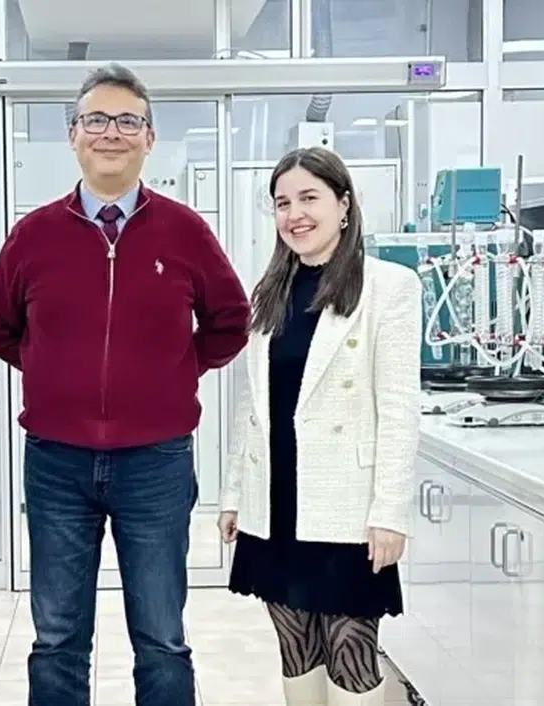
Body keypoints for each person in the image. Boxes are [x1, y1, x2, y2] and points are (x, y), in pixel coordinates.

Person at [0, 63, 251, 706]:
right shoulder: (33, 234)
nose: (111, 132)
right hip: (56, 461)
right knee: (57, 637)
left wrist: (172, 370)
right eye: (96, 119)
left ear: (149, 139)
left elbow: (231, 321)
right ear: (73, 135)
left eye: (128, 121)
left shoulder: (185, 230)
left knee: (161, 637)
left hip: (156, 462)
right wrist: (55, 370)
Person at [218, 147, 420, 706]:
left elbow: (399, 409)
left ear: (344, 204)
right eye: (283, 203)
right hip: (276, 502)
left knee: (350, 655)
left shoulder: (388, 287)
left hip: (346, 507)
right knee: (296, 649)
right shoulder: (270, 292)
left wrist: (390, 513)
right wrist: (234, 493)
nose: (295, 214)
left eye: (309, 198)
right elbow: (253, 405)